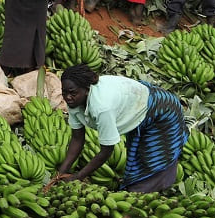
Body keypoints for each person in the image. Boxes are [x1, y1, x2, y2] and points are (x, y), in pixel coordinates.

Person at [53, 65, 188, 193]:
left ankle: (143, 195)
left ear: (87, 89)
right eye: (64, 92)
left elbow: (107, 150)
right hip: (136, 105)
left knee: (153, 157)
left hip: (162, 110)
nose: (67, 97)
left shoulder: (102, 107)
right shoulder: (75, 102)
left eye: (72, 93)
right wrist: (61, 173)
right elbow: (77, 138)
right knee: (137, 153)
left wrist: (79, 176)